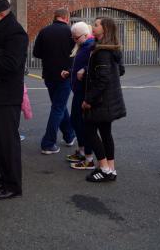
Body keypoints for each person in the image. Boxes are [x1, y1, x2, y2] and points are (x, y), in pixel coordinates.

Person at [0, 0, 28, 200]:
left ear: (1, 14)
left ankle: (13, 185)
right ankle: (4, 179)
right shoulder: (1, 29)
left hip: (7, 95)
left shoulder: (15, 33)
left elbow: (11, 63)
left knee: (8, 142)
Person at [82, 17, 126, 182]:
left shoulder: (102, 52)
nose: (93, 27)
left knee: (90, 131)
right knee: (106, 133)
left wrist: (88, 100)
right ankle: (111, 169)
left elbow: (103, 79)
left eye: (96, 25)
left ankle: (104, 168)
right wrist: (87, 72)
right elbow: (119, 71)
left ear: (105, 29)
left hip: (101, 100)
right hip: (108, 99)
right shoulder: (112, 49)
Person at [33, 9, 76, 154]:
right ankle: (48, 143)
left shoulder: (44, 31)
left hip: (49, 75)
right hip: (65, 75)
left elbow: (36, 53)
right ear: (66, 17)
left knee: (59, 105)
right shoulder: (71, 32)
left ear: (55, 17)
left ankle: (69, 135)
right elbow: (77, 53)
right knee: (58, 107)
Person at [60, 22, 95, 170]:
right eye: (73, 37)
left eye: (76, 38)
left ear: (86, 35)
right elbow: (78, 64)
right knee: (76, 121)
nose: (74, 41)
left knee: (83, 124)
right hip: (79, 91)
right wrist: (70, 71)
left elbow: (95, 66)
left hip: (85, 92)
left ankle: (89, 158)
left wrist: (85, 70)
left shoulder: (92, 47)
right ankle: (82, 152)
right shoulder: (83, 46)